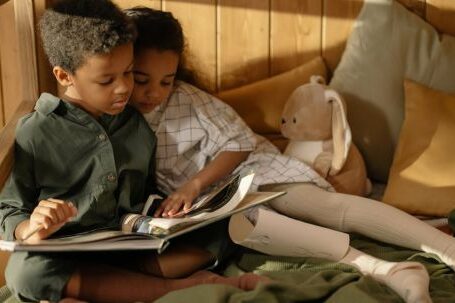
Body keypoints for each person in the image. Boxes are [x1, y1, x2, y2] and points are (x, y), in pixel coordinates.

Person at [126, 7, 455, 303]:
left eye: (166, 81)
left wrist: (193, 186)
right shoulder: (118, 117)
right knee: (272, 232)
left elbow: (239, 144)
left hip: (253, 171)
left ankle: (446, 249)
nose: (154, 92)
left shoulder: (187, 99)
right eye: (141, 80)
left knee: (320, 208)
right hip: (216, 208)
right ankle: (392, 272)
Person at [0, 1, 266, 302]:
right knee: (25, 272)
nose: (123, 88)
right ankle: (176, 288)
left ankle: (108, 288)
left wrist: (169, 216)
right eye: (107, 80)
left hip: (131, 247)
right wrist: (30, 227)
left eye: (129, 73)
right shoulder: (35, 132)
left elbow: (145, 191)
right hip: (67, 254)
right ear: (64, 76)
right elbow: (9, 210)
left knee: (228, 226)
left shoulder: (136, 125)